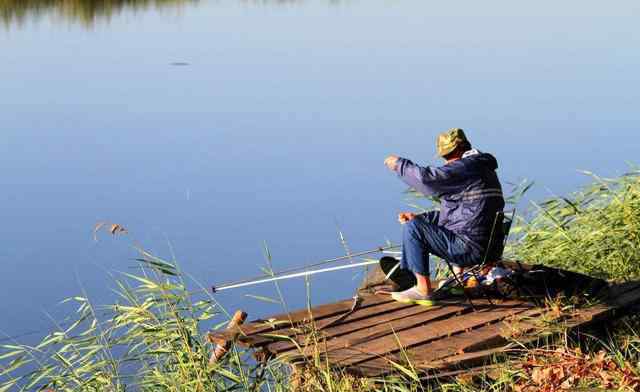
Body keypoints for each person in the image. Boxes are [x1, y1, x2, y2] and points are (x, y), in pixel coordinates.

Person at [383, 128, 505, 305]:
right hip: (488, 249)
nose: (447, 162)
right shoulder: (483, 168)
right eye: (444, 157)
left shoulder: (466, 167)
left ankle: (423, 290)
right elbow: (463, 213)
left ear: (459, 149)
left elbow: (428, 180)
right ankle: (458, 279)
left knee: (413, 228)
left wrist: (399, 164)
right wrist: (420, 218)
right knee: (418, 222)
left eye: (448, 156)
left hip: (469, 249)